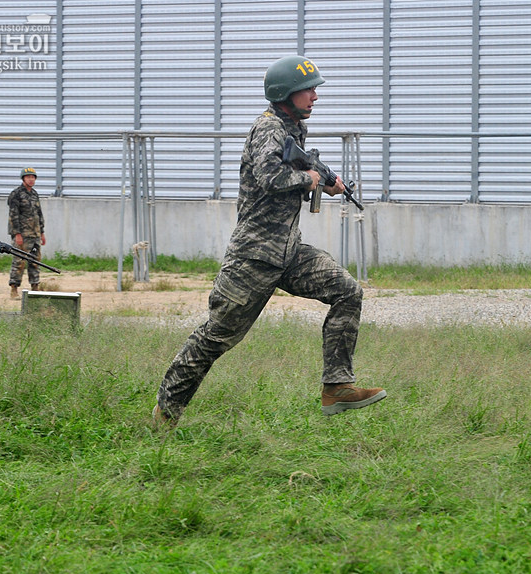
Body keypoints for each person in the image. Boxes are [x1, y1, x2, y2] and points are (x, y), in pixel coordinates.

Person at [152, 55, 386, 428]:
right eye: (308, 90)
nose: (315, 96)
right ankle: (164, 413)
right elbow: (270, 177)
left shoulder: (292, 130)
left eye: (314, 89)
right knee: (215, 337)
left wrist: (325, 183)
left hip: (289, 251)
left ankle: (337, 385)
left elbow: (295, 173)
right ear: (285, 93)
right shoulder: (269, 129)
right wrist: (312, 180)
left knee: (348, 292)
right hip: (254, 257)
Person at [7, 167, 46, 298]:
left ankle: (35, 288)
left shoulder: (34, 194)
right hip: (22, 235)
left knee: (35, 262)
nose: (31, 179)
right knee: (19, 262)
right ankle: (14, 289)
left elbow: (39, 214)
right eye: (28, 177)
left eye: (33, 177)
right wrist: (17, 234)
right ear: (23, 178)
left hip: (35, 234)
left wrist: (42, 232)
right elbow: (13, 215)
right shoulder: (16, 194)